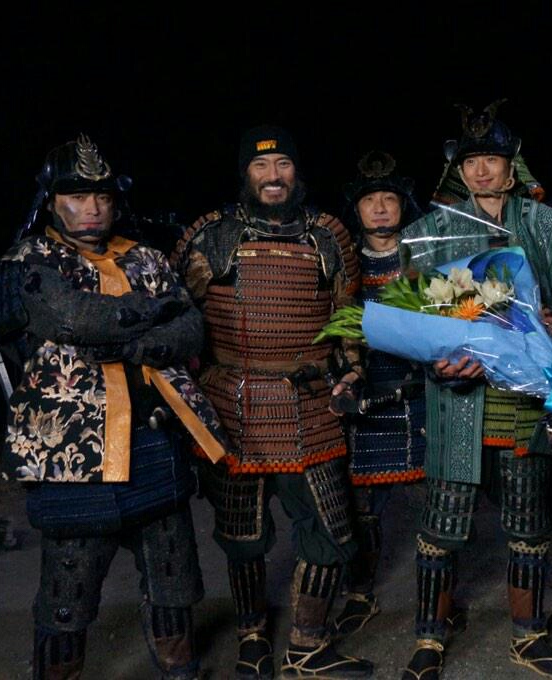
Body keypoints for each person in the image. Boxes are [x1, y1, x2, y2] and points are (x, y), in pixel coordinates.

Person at [0, 134, 230, 679]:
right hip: (72, 450)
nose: (93, 208)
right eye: (77, 196)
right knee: (68, 587)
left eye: (101, 196)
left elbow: (191, 327)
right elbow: (73, 318)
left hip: (152, 437)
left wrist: (146, 343)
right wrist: (156, 309)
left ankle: (180, 670)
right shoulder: (31, 260)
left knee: (172, 573)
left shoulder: (145, 256)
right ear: (52, 201)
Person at [171, 125, 372, 679]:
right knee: (243, 538)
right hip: (233, 404)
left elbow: (347, 315)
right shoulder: (212, 235)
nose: (273, 176)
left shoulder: (327, 234)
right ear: (246, 173)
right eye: (261, 166)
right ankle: (252, 638)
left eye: (282, 164)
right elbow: (178, 316)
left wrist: (352, 372)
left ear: (296, 171)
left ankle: (307, 645)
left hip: (310, 402)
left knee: (331, 530)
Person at [397, 105, 552, 679]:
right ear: (459, 168)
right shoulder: (433, 229)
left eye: (491, 160)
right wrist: (445, 350)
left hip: (523, 400)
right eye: (471, 161)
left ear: (511, 164)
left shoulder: (549, 226)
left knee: (529, 522)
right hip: (458, 397)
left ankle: (528, 636)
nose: (481, 171)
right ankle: (429, 638)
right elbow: (411, 310)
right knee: (441, 524)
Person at [334, 151, 427, 636]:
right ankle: (360, 593)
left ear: (402, 205)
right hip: (367, 395)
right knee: (362, 507)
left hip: (421, 392)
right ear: (357, 209)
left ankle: (438, 598)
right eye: (370, 200)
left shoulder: (422, 255)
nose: (380, 208)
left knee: (438, 500)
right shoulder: (344, 259)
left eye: (389, 198)